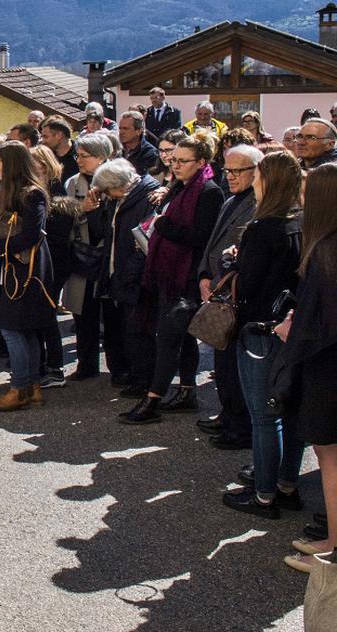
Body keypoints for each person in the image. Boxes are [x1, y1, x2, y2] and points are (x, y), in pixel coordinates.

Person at [222, 151, 304, 518]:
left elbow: (250, 284)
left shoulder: (262, 227)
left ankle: (265, 495)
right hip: (291, 326)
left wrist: (234, 261)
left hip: (259, 330)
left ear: (267, 180)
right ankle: (286, 485)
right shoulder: (301, 223)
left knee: (264, 417)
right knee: (289, 413)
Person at [119, 135, 223, 424]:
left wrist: (163, 226)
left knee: (167, 338)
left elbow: (201, 237)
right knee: (182, 339)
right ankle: (187, 391)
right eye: (173, 159)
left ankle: (152, 399)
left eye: (182, 160)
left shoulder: (210, 191)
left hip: (188, 275)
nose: (174, 165)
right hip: (170, 272)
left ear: (201, 162)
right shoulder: (179, 186)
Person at [276, 164, 337, 571]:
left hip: (328, 369)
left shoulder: (326, 252)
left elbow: (323, 325)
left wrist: (291, 332)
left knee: (331, 458)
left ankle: (334, 552)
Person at [195, 144, 262, 451]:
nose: (231, 176)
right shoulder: (230, 199)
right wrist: (204, 277)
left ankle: (240, 426)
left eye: (238, 171)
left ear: (256, 171)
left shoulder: (258, 204)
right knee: (223, 363)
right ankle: (228, 414)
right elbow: (212, 242)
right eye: (228, 170)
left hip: (235, 293)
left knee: (234, 368)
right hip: (217, 288)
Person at [0, 142, 55, 411]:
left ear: (10, 165)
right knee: (24, 329)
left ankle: (19, 387)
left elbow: (31, 235)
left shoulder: (31, 194)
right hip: (18, 268)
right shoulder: (13, 191)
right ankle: (32, 387)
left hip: (27, 271)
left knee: (13, 329)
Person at [92, 159, 162, 391]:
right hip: (116, 274)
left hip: (134, 278)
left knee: (138, 333)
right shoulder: (118, 200)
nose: (108, 195)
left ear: (119, 185)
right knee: (118, 329)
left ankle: (143, 380)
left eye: (108, 190)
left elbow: (144, 243)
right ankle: (125, 373)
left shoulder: (148, 197)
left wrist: (130, 276)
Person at [60, 132, 115, 380]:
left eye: (85, 156)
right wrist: (80, 210)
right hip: (82, 256)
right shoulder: (73, 183)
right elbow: (62, 219)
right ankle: (87, 365)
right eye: (77, 155)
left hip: (109, 256)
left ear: (102, 157)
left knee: (114, 317)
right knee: (83, 315)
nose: (79, 160)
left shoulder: (118, 180)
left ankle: (119, 368)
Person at [31, 145, 71, 388]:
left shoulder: (56, 192)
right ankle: (41, 364)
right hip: (43, 261)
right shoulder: (38, 191)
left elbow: (59, 231)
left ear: (44, 166)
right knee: (40, 314)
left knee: (47, 315)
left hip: (54, 262)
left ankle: (55, 368)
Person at [119, 111, 160, 177]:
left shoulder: (150, 154)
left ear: (138, 131)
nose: (121, 132)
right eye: (120, 128)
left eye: (125, 129)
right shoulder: (117, 150)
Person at [41, 117, 79, 183]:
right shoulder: (44, 156)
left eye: (46, 137)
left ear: (59, 135)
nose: (42, 141)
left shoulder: (81, 155)